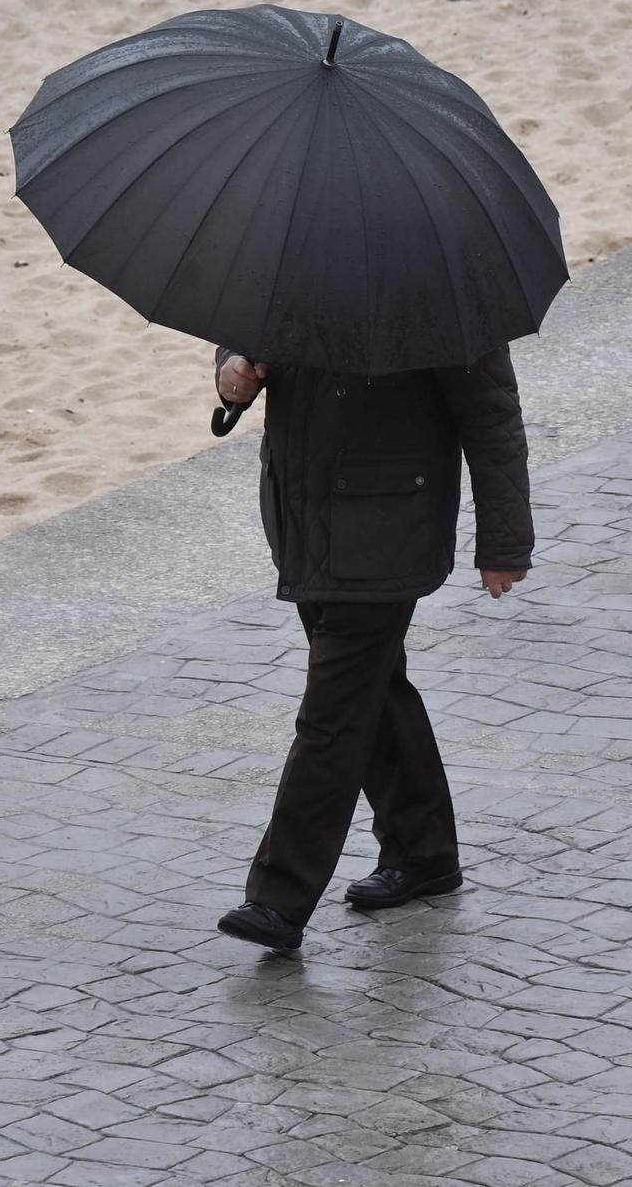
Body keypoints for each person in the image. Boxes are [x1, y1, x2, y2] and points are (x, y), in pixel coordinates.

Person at [211, 341, 534, 952]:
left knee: (332, 713)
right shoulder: (289, 258)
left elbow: (491, 415)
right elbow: (238, 345)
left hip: (389, 524)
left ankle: (279, 899)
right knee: (373, 689)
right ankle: (424, 849)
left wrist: (504, 542)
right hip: (301, 518)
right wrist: (233, 375)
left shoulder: (441, 278)